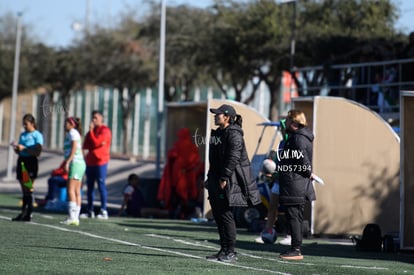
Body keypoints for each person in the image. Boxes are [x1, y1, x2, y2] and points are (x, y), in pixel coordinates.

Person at [205, 104, 261, 263]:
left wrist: (224, 178)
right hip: (216, 179)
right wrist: (211, 178)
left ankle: (230, 251)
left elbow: (233, 158)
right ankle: (223, 249)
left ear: (227, 117)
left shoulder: (234, 134)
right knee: (218, 215)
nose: (215, 116)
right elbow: (215, 160)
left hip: (228, 180)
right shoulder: (219, 133)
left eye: (218, 114)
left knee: (226, 215)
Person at [278, 110, 315, 260]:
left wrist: (307, 173)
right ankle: (296, 248)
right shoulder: (299, 137)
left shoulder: (297, 139)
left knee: (293, 217)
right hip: (295, 184)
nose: (285, 122)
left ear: (294, 123)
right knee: (296, 217)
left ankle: (295, 249)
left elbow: (305, 165)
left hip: (294, 185)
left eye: (287, 120)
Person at [255, 119, 291, 246]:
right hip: (278, 180)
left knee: (289, 209)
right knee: (272, 206)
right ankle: (268, 231)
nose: (281, 129)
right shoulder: (281, 143)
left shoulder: (294, 143)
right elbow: (278, 161)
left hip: (290, 181)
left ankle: (290, 235)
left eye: (283, 127)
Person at [157, 128, 203, 219]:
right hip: (188, 176)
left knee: (176, 195)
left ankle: (176, 213)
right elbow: (196, 161)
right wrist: (188, 168)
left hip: (177, 176)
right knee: (187, 195)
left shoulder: (177, 146)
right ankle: (183, 214)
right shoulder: (193, 147)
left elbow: (171, 156)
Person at [11, 114, 44, 222]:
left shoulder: (37, 135)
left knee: (29, 187)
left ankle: (29, 213)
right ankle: (23, 212)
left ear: (32, 123)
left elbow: (37, 152)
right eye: (23, 124)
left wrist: (24, 148)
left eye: (26, 124)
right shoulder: (23, 135)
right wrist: (16, 148)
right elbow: (20, 150)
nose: (24, 126)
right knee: (24, 189)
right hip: (22, 162)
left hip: (31, 163)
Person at [81, 110, 112, 219]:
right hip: (90, 162)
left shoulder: (105, 131)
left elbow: (96, 142)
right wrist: (91, 132)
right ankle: (90, 210)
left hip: (101, 162)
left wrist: (91, 132)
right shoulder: (92, 131)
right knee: (89, 187)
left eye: (96, 118)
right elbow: (86, 144)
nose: (93, 120)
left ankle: (103, 210)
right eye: (92, 118)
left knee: (101, 186)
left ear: (101, 119)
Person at [60, 117, 87, 226]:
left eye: (67, 122)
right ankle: (75, 218)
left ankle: (72, 217)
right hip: (80, 163)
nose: (65, 124)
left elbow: (74, 148)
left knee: (70, 190)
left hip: (76, 163)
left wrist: (68, 162)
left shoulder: (72, 133)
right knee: (76, 191)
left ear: (72, 124)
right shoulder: (74, 133)